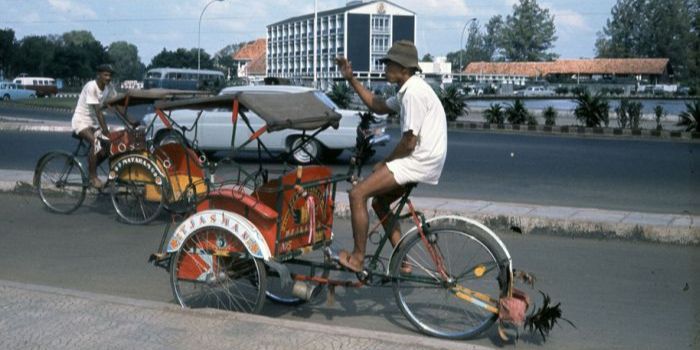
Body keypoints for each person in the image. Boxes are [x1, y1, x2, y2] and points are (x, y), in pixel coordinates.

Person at [334, 41, 448, 272]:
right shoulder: (409, 88)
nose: (385, 68)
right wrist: (351, 79)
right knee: (380, 202)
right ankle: (403, 262)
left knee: (357, 194)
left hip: (420, 159)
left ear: (404, 69)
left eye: (390, 64)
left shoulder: (413, 94)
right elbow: (377, 105)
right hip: (424, 157)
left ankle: (357, 258)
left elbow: (409, 142)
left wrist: (385, 163)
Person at [71, 64, 117, 189]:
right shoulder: (91, 87)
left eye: (110, 75)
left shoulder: (109, 87)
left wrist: (130, 120)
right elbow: (98, 111)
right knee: (96, 142)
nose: (108, 78)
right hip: (81, 122)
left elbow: (117, 104)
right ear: (99, 75)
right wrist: (106, 130)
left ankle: (91, 166)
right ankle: (93, 177)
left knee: (109, 146)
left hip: (93, 123)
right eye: (105, 75)